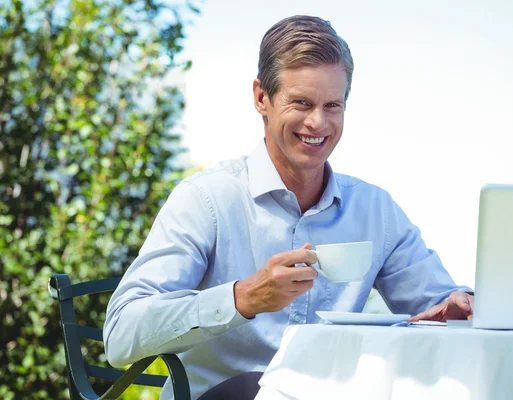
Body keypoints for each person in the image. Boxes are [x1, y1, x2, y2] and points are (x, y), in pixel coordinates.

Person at [103, 15, 474, 400]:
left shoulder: (375, 210)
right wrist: (242, 298)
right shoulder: (207, 199)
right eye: (302, 103)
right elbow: (120, 334)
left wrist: (458, 308)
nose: (319, 122)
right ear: (262, 98)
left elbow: (438, 304)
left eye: (333, 105)